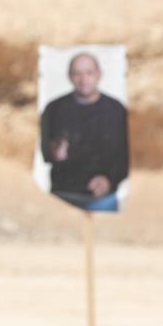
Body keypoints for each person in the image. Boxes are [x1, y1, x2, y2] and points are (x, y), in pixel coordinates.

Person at [40, 52, 129, 212]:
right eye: (77, 73)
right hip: (62, 196)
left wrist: (110, 180)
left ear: (99, 74)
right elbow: (45, 153)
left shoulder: (116, 110)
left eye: (89, 73)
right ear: (69, 76)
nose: (83, 80)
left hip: (103, 199)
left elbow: (126, 156)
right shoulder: (53, 109)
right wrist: (54, 152)